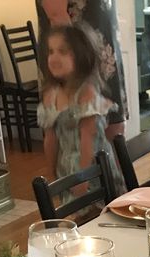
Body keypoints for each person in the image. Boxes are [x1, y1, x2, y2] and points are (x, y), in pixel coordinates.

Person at [37, 25, 122, 201]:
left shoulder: (86, 93)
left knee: (96, 211)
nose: (54, 58)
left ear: (80, 55)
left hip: (94, 169)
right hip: (66, 170)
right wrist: (52, 175)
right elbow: (50, 140)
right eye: (51, 52)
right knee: (75, 216)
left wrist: (84, 179)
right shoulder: (50, 96)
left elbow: (88, 141)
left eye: (62, 51)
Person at [36, 0, 129, 141]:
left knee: (113, 131)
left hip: (100, 58)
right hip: (78, 65)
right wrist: (79, 75)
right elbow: (56, 15)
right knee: (82, 138)